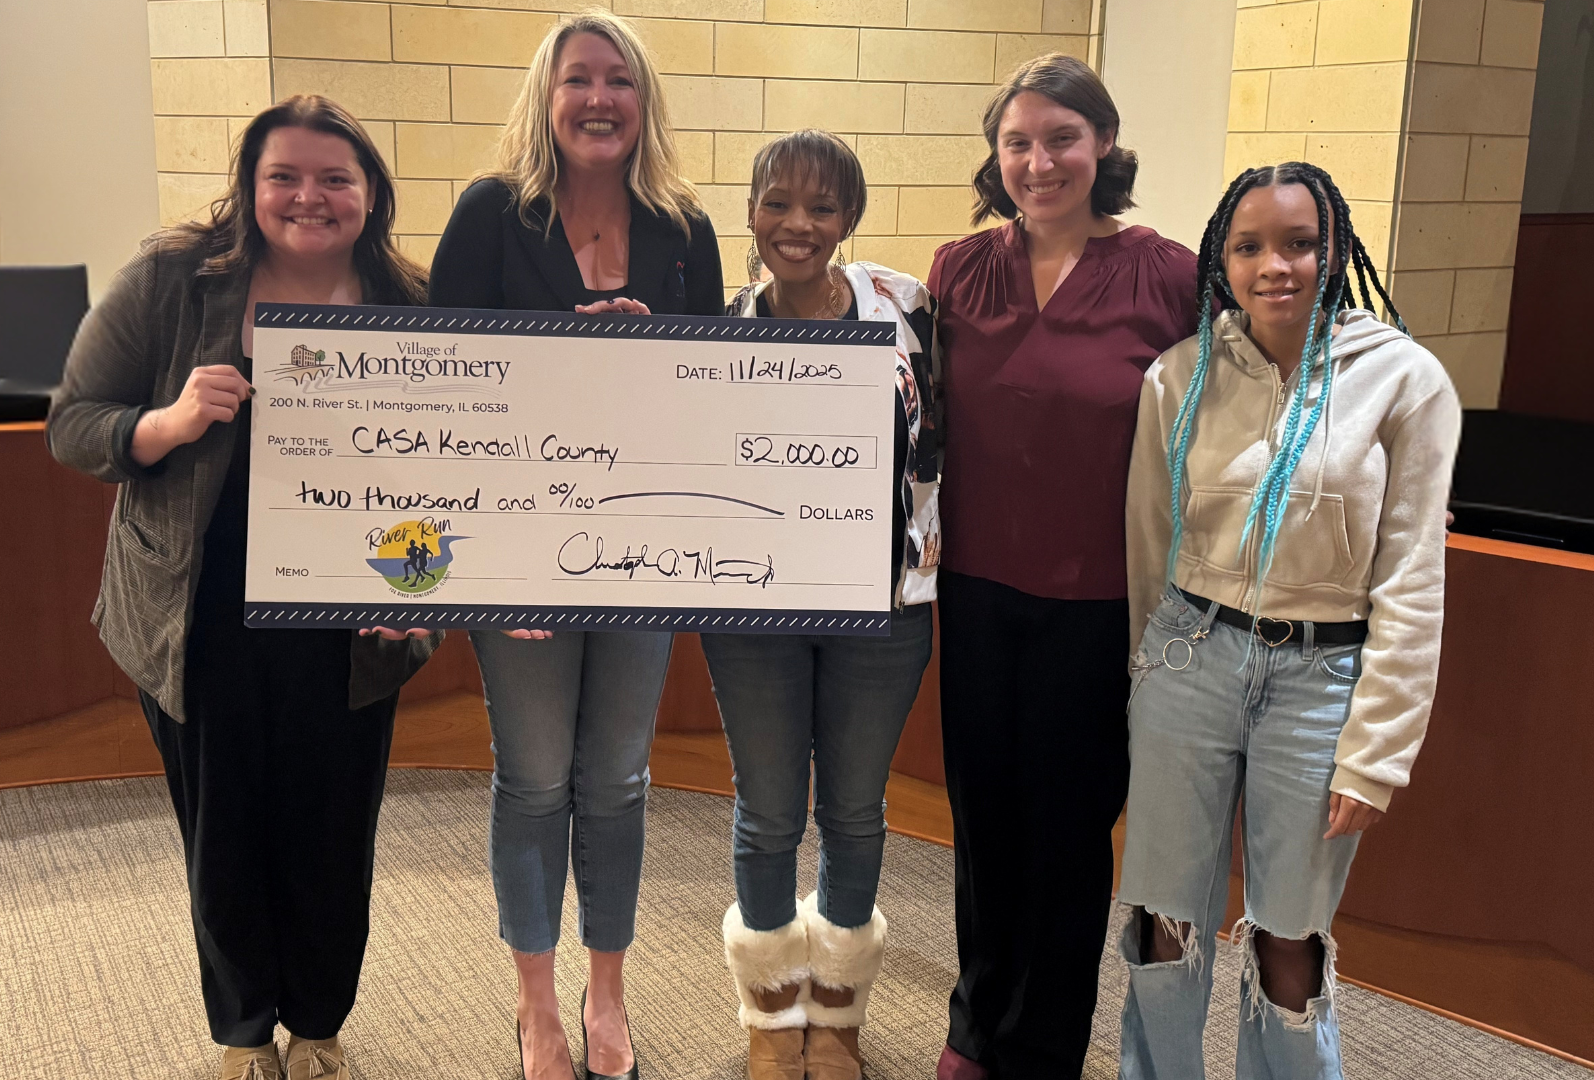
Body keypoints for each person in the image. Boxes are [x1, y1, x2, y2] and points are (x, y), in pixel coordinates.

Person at [47, 97, 435, 1080]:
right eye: (285, 177)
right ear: (248, 188)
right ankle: (240, 1028)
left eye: (336, 178)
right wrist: (165, 425)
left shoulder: (414, 302)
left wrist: (414, 596)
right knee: (223, 827)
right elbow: (74, 422)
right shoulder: (173, 280)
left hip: (350, 617)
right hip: (198, 607)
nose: (310, 197)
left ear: (370, 193)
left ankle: (317, 1021)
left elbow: (448, 475)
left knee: (333, 828)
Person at [426, 13, 721, 1080]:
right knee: (537, 777)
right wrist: (483, 567)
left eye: (620, 81)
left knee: (619, 781)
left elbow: (706, 395)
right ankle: (535, 1004)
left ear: (644, 102)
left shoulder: (683, 228)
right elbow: (440, 390)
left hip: (641, 546)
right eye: (578, 80)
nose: (600, 99)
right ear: (546, 100)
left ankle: (609, 995)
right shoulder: (490, 214)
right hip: (519, 567)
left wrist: (657, 353)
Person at [1117, 162, 1460, 1078]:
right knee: (1160, 917)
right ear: (1221, 260)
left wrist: (1378, 747)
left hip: (1320, 683)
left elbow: (1414, 578)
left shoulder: (1405, 381)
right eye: (1250, 245)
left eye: (1300, 243)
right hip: (1188, 660)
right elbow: (1149, 540)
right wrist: (1148, 671)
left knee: (1289, 937)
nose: (1277, 265)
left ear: (1334, 247)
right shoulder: (1179, 375)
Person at [925, 55, 1198, 1079]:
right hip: (977, 591)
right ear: (996, 157)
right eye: (1018, 143)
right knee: (983, 817)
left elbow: (1265, 376)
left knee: (1069, 834)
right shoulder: (959, 269)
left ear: (1105, 147)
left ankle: (1042, 1048)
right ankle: (974, 1024)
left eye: (1062, 138)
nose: (1039, 162)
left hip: (1101, 604)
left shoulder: (1167, 274)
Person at [708, 130, 942, 1080]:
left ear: (850, 217)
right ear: (753, 210)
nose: (797, 225)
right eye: (778, 203)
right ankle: (770, 1014)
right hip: (755, 610)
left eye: (822, 206)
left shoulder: (908, 307)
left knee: (853, 810)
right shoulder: (716, 326)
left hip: (885, 606)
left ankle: (837, 1015)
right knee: (767, 812)